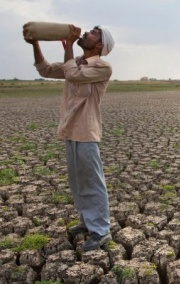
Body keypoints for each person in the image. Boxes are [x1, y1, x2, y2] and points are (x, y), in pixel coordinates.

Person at [23, 24, 115, 251]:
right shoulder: (76, 62)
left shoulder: (102, 66)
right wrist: (36, 43)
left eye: (93, 32)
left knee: (92, 181)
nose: (86, 33)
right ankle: (87, 222)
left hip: (86, 131)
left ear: (100, 44)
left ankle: (101, 231)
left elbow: (72, 75)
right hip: (70, 129)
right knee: (78, 181)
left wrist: (70, 46)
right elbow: (44, 69)